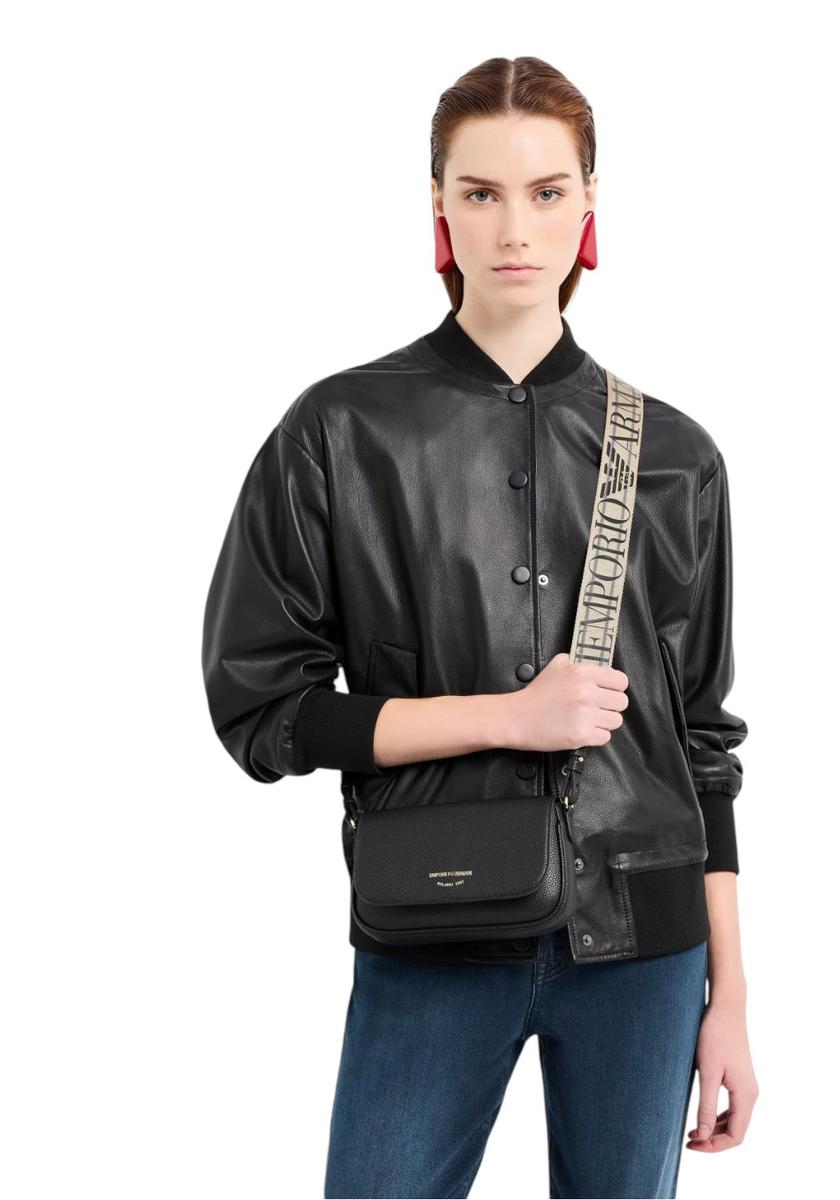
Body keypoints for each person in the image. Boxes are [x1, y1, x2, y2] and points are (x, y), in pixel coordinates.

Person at [202, 55, 759, 1200]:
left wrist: (733, 1002)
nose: (516, 228)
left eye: (548, 192)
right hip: (433, 924)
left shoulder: (677, 456)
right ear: (439, 208)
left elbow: (704, 746)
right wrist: (505, 717)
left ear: (590, 202)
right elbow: (264, 712)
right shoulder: (339, 431)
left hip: (646, 945)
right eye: (482, 192)